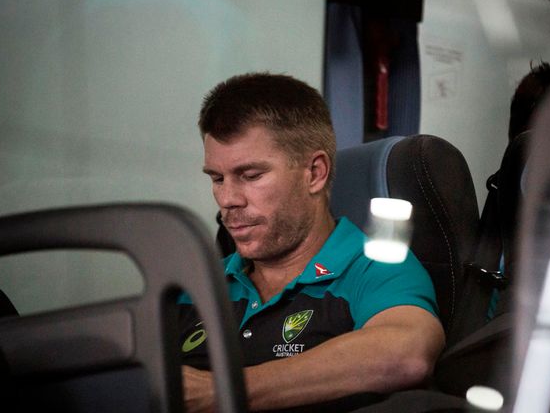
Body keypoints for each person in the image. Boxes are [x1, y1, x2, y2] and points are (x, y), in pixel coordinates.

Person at [178, 72, 445, 412]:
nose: (228, 198)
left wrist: (224, 392)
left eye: (250, 176)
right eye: (217, 178)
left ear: (315, 173)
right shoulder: (197, 283)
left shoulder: (374, 267)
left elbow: (407, 354)